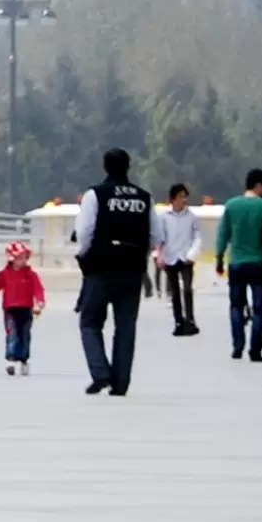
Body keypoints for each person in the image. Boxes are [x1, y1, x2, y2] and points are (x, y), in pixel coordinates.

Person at [69, 147, 155, 396]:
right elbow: (155, 235)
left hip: (101, 268)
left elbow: (85, 231)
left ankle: (100, 372)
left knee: (90, 322)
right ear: (129, 167)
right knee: (126, 326)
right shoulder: (144, 197)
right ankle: (121, 383)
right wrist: (140, 254)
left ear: (105, 167)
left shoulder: (96, 195)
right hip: (132, 270)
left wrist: (84, 254)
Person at [220, 169, 262, 362]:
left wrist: (219, 258)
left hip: (236, 262)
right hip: (260, 262)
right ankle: (256, 350)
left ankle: (237, 345)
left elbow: (223, 235)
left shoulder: (231, 205)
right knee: (259, 307)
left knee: (236, 305)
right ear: (258, 185)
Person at [0, 240, 47, 373]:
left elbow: (38, 289)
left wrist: (40, 302)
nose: (22, 260)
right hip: (10, 309)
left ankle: (24, 359)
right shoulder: (4, 274)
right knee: (12, 333)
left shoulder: (31, 274)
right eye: (19, 257)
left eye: (24, 257)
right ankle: (11, 359)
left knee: (25, 334)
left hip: (26, 308)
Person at [156, 184, 202, 337]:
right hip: (170, 257)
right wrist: (160, 256)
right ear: (173, 199)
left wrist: (192, 254)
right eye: (181, 196)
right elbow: (160, 239)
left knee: (187, 289)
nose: (184, 200)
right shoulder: (164, 217)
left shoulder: (192, 217)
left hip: (186, 257)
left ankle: (190, 318)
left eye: (185, 196)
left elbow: (197, 237)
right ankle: (178, 321)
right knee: (174, 291)